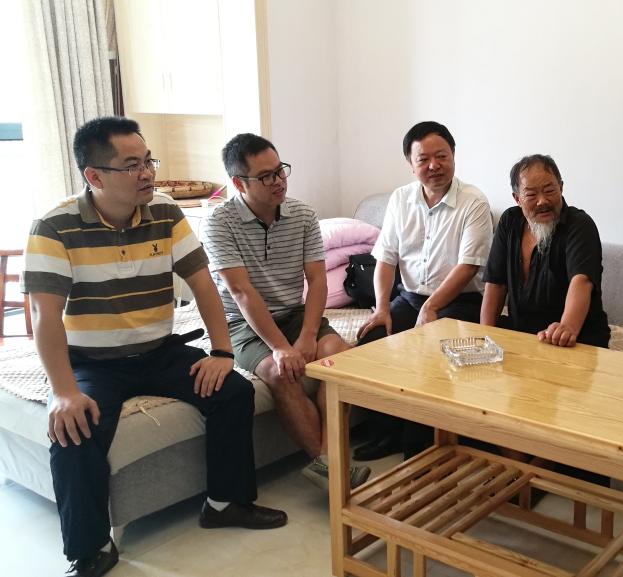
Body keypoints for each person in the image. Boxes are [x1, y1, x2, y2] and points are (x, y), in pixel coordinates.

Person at [23, 117, 287, 577]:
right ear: (94, 175)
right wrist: (63, 391)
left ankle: (225, 503)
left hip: (160, 350)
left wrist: (222, 354)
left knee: (234, 391)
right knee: (73, 428)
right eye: (132, 166)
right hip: (92, 362)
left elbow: (203, 285)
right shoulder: (54, 225)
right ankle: (90, 548)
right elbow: (45, 315)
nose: (147, 173)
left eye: (148, 161)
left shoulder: (165, 211)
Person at [200, 133, 370, 491]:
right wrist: (280, 347)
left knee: (340, 358)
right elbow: (241, 292)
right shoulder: (218, 222)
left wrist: (307, 335)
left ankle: (328, 464)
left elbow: (317, 280)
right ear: (239, 183)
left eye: (280, 171)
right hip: (242, 323)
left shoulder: (302, 214)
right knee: (280, 373)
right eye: (266, 176)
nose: (279, 181)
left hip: (294, 313)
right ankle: (336, 473)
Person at [354, 121, 492, 460]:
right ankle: (387, 433)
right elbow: (386, 258)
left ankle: (421, 449)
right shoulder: (400, 199)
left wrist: (431, 307)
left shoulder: (473, 202)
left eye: (441, 156)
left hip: (460, 302)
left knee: (429, 349)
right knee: (372, 341)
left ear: (454, 155)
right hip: (410, 297)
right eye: (424, 159)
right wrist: (381, 307)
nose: (434, 165)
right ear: (410, 163)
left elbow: (469, 266)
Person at [480, 154, 610, 348]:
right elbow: (496, 284)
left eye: (549, 190)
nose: (542, 201)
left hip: (575, 340)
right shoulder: (509, 222)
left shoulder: (580, 225)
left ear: (561, 188)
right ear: (517, 198)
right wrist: (485, 337)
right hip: (522, 336)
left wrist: (567, 327)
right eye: (531, 195)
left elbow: (581, 280)